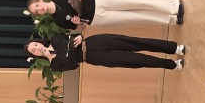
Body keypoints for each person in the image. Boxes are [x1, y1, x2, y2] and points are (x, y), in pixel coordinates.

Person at [26, 0, 184, 30]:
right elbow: (81, 27)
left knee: (137, 1)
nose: (39, 9)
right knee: (137, 17)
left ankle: (174, 6)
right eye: (37, 11)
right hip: (97, 19)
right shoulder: (58, 21)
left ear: (40, 0)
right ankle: (171, 19)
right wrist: (78, 23)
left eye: (37, 5)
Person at [24, 33, 184, 72]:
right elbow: (73, 65)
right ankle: (172, 64)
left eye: (35, 45)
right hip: (93, 57)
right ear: (35, 55)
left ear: (39, 41)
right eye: (34, 50)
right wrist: (53, 55)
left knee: (136, 42)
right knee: (135, 60)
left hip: (95, 41)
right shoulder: (54, 65)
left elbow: (73, 36)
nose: (37, 48)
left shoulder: (55, 38)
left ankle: (174, 48)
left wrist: (79, 36)